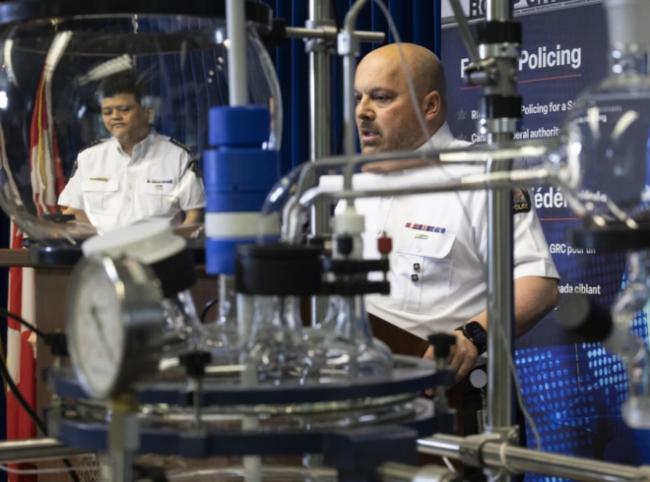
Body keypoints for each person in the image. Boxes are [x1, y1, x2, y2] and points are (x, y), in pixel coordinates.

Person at [351, 43, 560, 384]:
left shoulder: (482, 176)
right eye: (358, 98)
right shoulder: (355, 185)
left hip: (442, 391)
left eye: (381, 98)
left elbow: (538, 286)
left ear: (430, 106)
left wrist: (472, 336)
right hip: (359, 383)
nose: (362, 111)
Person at [58, 70, 205, 234]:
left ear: (147, 113)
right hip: (104, 248)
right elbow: (73, 210)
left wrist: (177, 246)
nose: (115, 117)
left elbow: (195, 213)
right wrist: (92, 242)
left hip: (158, 249)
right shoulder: (89, 158)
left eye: (124, 109)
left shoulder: (177, 156)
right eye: (107, 112)